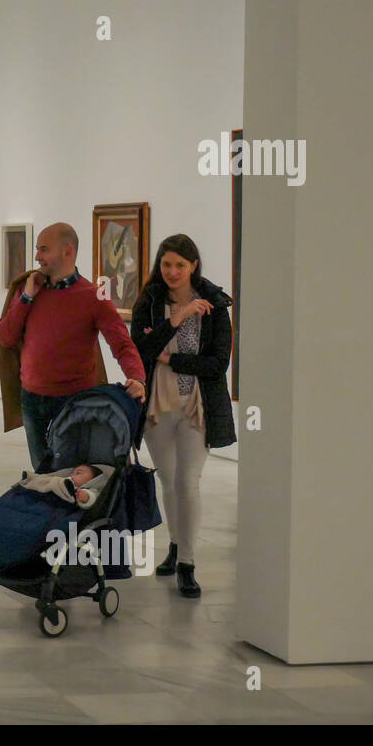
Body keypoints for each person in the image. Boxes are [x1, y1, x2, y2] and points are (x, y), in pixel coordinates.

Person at [130, 234, 237, 599]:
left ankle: (188, 563)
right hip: (158, 407)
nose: (172, 271)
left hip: (197, 406)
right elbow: (140, 348)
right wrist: (176, 319)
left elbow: (218, 364)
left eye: (180, 264)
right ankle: (175, 546)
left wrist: (172, 359)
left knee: (188, 482)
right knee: (169, 480)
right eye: (166, 264)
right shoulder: (150, 301)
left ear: (193, 265)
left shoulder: (215, 304)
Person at [0, 223, 146, 471]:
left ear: (67, 251)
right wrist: (26, 298)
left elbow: (121, 342)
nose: (37, 257)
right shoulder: (28, 289)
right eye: (37, 250)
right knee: (43, 474)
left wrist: (137, 377)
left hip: (74, 402)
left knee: (71, 474)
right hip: (32, 400)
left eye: (44, 250)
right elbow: (6, 337)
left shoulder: (93, 296)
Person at [19, 463, 113, 509]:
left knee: (54, 483)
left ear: (93, 480)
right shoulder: (66, 480)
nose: (72, 475)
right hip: (51, 493)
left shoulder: (91, 489)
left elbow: (93, 497)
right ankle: (31, 479)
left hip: (64, 501)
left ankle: (32, 481)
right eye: (72, 473)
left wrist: (84, 496)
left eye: (78, 473)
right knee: (46, 480)